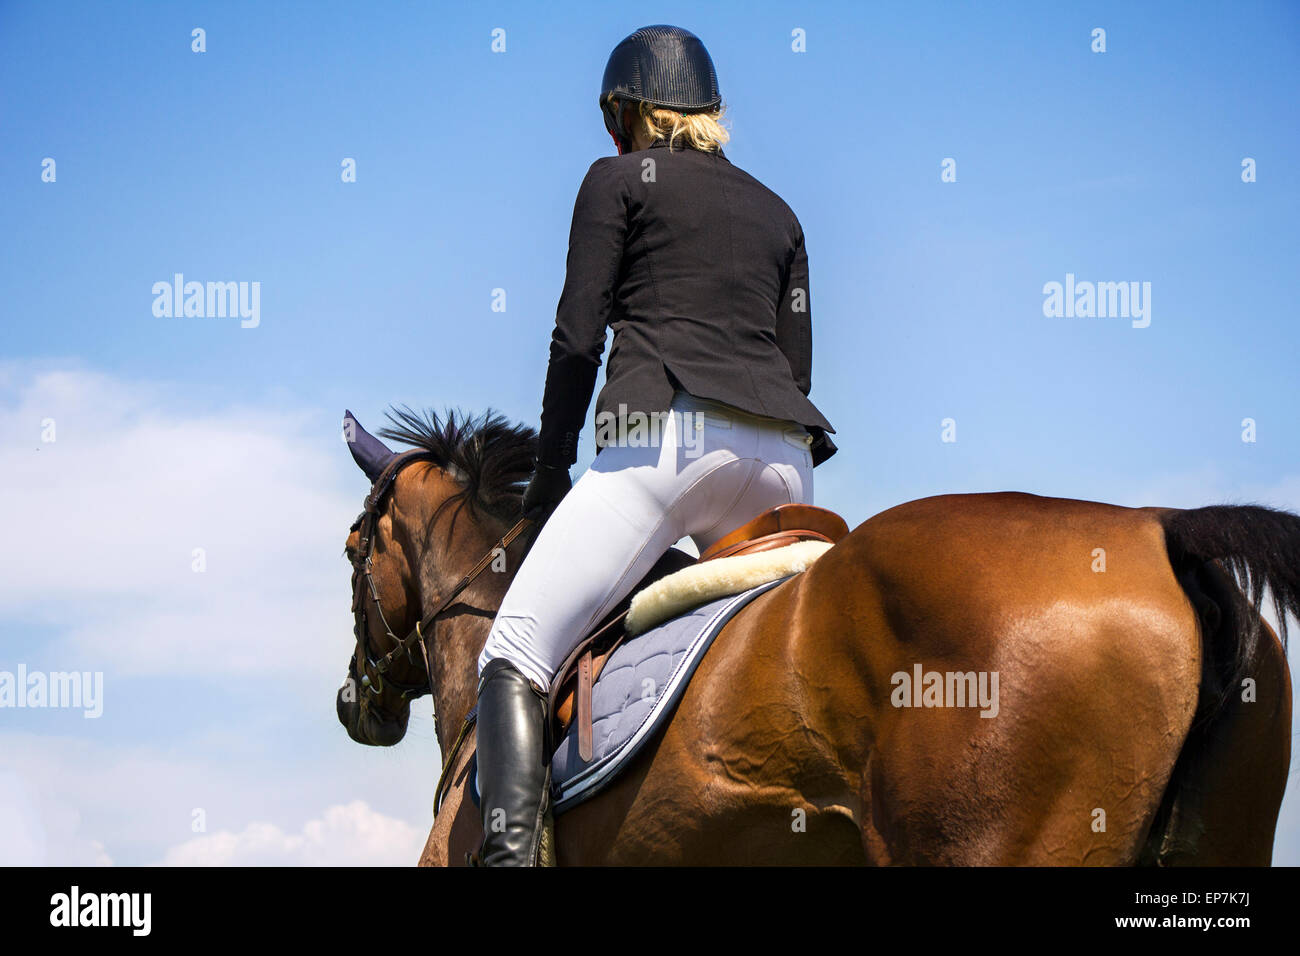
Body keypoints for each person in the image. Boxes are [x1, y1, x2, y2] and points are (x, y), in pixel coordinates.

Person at [472, 24, 837, 866]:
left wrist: (550, 473)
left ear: (628, 114)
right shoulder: (780, 211)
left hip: (665, 442)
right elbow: (798, 369)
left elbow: (576, 341)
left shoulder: (613, 180)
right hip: (786, 464)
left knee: (514, 652)